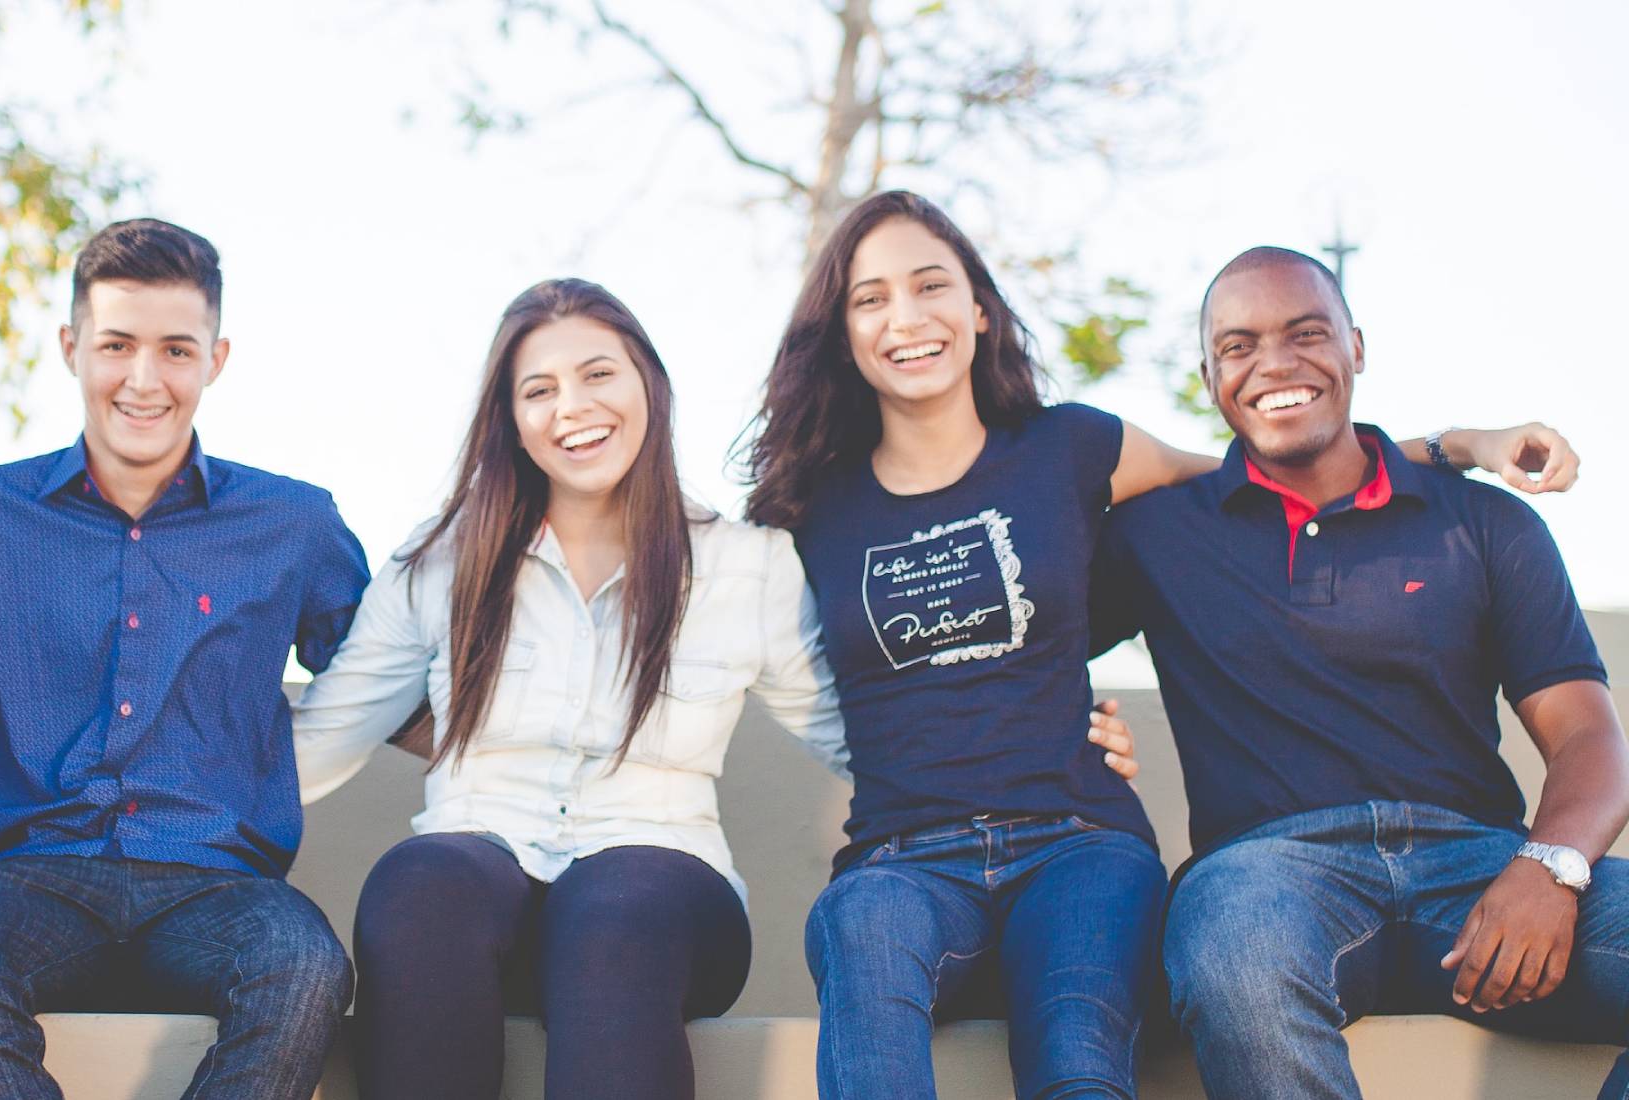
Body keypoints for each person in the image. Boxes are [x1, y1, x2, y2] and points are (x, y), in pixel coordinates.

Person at [741, 191, 1576, 1100]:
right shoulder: (807, 507)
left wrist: (1458, 445)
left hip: (1078, 839)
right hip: (904, 856)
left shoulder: (1074, 447)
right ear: (843, 329)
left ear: (979, 309)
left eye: (931, 284)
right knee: (863, 937)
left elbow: (1269, 462)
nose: (906, 316)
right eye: (871, 298)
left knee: (1079, 1061)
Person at [290, 277, 1146, 1100]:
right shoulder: (439, 565)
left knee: (612, 905)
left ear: (649, 389)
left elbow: (872, 732)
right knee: (419, 882)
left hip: (664, 896)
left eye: (597, 375)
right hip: (480, 882)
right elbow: (320, 738)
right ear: (511, 422)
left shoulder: (745, 565)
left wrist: (1049, 731)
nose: (573, 408)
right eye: (538, 390)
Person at [1092, 245, 1628, 1100]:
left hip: (1482, 863)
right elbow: (1012, 641)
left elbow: (1589, 733)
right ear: (1208, 374)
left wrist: (1550, 867)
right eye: (1239, 346)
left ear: (1357, 348)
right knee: (1236, 959)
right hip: (1269, 874)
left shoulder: (1486, 523)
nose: (1274, 363)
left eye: (1307, 333)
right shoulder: (1157, 535)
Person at [0, 218, 371, 1100]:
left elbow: (392, 684)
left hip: (218, 887)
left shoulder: (295, 524)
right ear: (72, 347)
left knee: (305, 967)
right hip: (33, 881)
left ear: (216, 359)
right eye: (116, 345)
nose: (144, 379)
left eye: (176, 350)